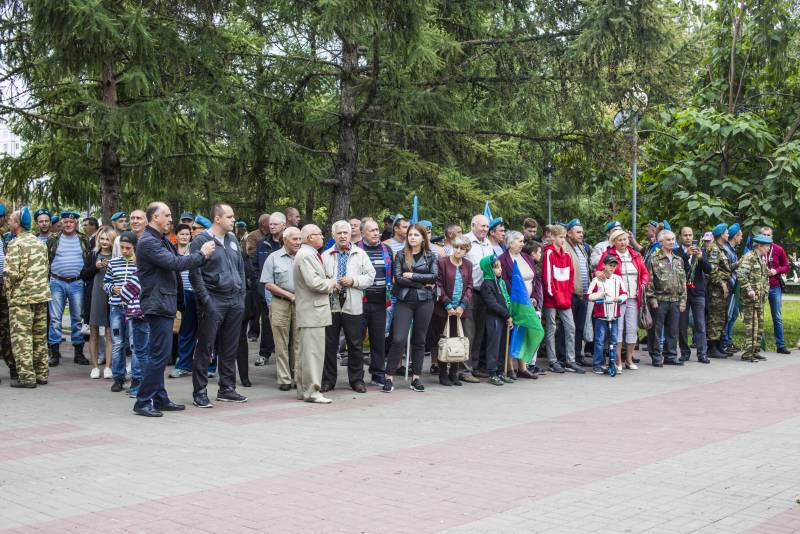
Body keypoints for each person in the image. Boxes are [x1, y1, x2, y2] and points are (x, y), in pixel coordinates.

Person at [133, 202, 214, 417]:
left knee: (160, 353)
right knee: (159, 355)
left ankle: (159, 398)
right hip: (157, 304)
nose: (171, 218)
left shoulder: (161, 240)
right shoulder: (148, 242)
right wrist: (202, 255)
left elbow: (176, 260)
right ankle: (142, 401)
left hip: (164, 303)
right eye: (167, 215)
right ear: (154, 217)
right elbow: (175, 263)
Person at [189, 204, 248, 408]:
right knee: (206, 346)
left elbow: (240, 269)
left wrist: (241, 296)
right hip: (213, 300)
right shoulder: (201, 241)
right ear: (217, 218)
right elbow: (194, 274)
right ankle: (200, 391)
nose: (233, 220)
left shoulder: (232, 240)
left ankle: (227, 389)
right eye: (229, 217)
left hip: (234, 300)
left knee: (230, 347)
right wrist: (206, 300)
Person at [320, 220, 375, 392]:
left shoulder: (360, 254)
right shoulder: (326, 255)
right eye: (339, 233)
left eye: (346, 232)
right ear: (333, 235)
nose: (343, 236)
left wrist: (354, 281)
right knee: (329, 344)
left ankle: (357, 380)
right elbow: (319, 278)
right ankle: (328, 380)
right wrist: (330, 284)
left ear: (350, 234)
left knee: (355, 343)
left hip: (353, 304)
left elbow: (370, 276)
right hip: (332, 304)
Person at [384, 223, 437, 393]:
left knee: (419, 340)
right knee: (398, 338)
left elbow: (434, 277)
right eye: (410, 235)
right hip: (404, 299)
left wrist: (413, 275)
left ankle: (416, 378)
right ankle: (389, 377)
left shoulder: (430, 256)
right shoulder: (400, 255)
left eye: (416, 235)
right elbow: (398, 278)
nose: (412, 237)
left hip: (425, 301)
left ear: (423, 238)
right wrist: (422, 282)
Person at [4, 208, 50, 388]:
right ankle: (42, 374)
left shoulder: (15, 244)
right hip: (40, 296)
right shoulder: (40, 243)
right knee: (39, 337)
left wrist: (8, 293)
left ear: (17, 224)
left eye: (10, 220)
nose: (8, 223)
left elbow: (11, 274)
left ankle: (27, 378)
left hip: (21, 298)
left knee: (22, 338)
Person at [293, 224, 337, 404]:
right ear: (310, 237)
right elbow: (314, 283)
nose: (322, 237)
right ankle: (312, 392)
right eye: (319, 234)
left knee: (307, 354)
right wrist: (331, 283)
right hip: (312, 311)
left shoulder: (308, 254)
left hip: (312, 311)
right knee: (313, 355)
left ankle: (304, 390)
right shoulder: (306, 255)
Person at [597, 228, 649, 370]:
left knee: (632, 329)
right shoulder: (608, 254)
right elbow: (599, 271)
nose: (623, 242)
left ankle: (629, 360)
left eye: (625, 239)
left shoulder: (635, 255)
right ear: (613, 242)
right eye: (619, 240)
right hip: (617, 298)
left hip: (633, 298)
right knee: (617, 330)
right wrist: (599, 273)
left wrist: (643, 284)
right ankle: (617, 361)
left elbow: (644, 273)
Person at [46, 210, 90, 367]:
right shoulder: (53, 240)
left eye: (71, 222)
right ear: (61, 223)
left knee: (77, 318)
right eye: (65, 222)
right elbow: (47, 260)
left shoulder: (83, 239)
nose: (68, 224)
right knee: (55, 319)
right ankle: (54, 353)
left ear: (76, 223)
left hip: (77, 283)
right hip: (57, 282)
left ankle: (78, 352)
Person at [262, 226, 302, 391]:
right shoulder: (273, 257)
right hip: (280, 303)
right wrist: (289, 295)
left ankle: (298, 376)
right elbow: (267, 283)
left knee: (299, 342)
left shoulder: (305, 256)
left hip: (301, 303)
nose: (299, 242)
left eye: (300, 239)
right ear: (285, 240)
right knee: (281, 342)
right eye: (295, 239)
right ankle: (284, 379)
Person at [356, 218, 393, 386]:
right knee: (356, 339)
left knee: (378, 340)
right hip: (360, 301)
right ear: (362, 233)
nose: (376, 233)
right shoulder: (355, 249)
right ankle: (357, 376)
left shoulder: (387, 249)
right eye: (371, 230)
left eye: (377, 229)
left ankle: (378, 373)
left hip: (380, 301)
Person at [498, 231, 540, 379]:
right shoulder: (502, 259)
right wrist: (518, 297)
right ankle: (509, 367)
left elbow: (536, 279)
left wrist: (534, 296)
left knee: (525, 332)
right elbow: (503, 282)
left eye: (523, 241)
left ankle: (522, 367)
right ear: (510, 243)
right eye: (520, 241)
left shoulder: (527, 258)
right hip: (514, 302)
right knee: (512, 333)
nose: (523, 244)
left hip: (529, 304)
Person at [432, 235, 473, 386]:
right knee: (444, 340)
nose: (458, 250)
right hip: (444, 310)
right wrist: (448, 305)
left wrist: (462, 305)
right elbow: (438, 284)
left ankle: (454, 373)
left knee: (458, 341)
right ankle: (443, 374)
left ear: (466, 250)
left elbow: (469, 286)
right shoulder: (442, 262)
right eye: (456, 247)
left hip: (461, 309)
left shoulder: (468, 264)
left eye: (462, 248)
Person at [542, 225, 583, 373]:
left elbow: (570, 276)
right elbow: (547, 278)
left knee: (571, 327)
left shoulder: (566, 254)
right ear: (552, 237)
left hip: (565, 297)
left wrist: (568, 293)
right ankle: (553, 360)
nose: (563, 240)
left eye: (564, 236)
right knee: (551, 328)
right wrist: (554, 294)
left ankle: (570, 360)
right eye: (560, 237)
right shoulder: (548, 253)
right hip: (552, 298)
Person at [104, 232, 139, 392]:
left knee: (134, 343)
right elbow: (106, 283)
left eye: (128, 248)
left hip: (134, 309)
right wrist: (112, 288)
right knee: (118, 343)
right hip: (116, 307)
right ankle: (118, 377)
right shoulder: (113, 263)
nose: (125, 251)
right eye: (122, 248)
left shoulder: (139, 264)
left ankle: (137, 378)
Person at [646, 230, 687, 367]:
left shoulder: (678, 259)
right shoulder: (654, 259)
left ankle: (671, 355)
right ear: (660, 242)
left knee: (673, 330)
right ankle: (656, 356)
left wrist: (683, 300)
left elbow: (683, 282)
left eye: (673, 239)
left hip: (675, 300)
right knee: (656, 330)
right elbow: (649, 281)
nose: (672, 242)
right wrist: (652, 299)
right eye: (668, 240)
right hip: (660, 299)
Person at [81, 226, 117, 379]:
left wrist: (111, 267)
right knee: (94, 331)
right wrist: (95, 267)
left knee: (109, 332)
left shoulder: (117, 256)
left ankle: (108, 366)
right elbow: (83, 274)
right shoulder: (93, 255)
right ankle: (95, 366)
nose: (104, 241)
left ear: (112, 240)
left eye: (107, 239)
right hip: (94, 295)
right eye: (101, 238)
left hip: (110, 297)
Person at [462, 214, 494, 381]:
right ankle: (464, 370)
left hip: (485, 293)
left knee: (480, 331)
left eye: (487, 227)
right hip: (469, 292)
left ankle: (473, 367)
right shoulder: (465, 241)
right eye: (482, 226)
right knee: (468, 331)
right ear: (473, 225)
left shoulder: (488, 243)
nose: (485, 229)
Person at [170, 221, 203, 378]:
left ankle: (209, 367)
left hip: (196, 292)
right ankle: (183, 365)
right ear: (176, 236)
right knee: (185, 330)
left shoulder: (195, 249)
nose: (184, 236)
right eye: (181, 234)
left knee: (205, 332)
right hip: (181, 295)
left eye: (187, 234)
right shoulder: (171, 250)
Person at [675, 227, 711, 364]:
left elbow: (709, 270)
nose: (688, 238)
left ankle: (702, 353)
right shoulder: (676, 252)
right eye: (685, 235)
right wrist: (686, 256)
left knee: (700, 325)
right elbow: (676, 268)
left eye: (690, 235)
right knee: (682, 325)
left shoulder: (699, 251)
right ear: (680, 237)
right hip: (682, 293)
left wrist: (701, 258)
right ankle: (685, 352)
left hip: (698, 292)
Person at [252, 212, 284, 365]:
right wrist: (260, 285)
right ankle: (264, 353)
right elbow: (255, 266)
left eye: (275, 224)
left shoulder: (289, 242)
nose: (272, 226)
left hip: (286, 291)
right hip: (266, 290)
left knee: (285, 324)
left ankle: (284, 356)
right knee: (266, 322)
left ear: (284, 225)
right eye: (270, 224)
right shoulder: (262, 243)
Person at [587, 256, 627, 374]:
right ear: (603, 265)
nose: (612, 268)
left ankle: (612, 362)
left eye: (614, 266)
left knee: (614, 340)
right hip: (601, 315)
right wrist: (601, 295)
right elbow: (589, 295)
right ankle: (597, 364)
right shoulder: (597, 280)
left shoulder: (618, 279)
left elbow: (624, 293)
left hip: (614, 314)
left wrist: (619, 299)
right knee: (599, 340)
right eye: (610, 265)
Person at [479, 255, 514, 385]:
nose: (500, 269)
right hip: (494, 317)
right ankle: (492, 372)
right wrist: (506, 315)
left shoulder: (501, 282)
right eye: (495, 267)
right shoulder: (486, 284)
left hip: (504, 317)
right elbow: (492, 304)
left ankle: (501, 371)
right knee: (494, 344)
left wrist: (509, 314)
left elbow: (506, 299)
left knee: (502, 345)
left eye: (500, 267)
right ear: (488, 269)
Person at [737, 234, 772, 362]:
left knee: (760, 326)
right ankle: (748, 353)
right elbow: (741, 274)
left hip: (760, 299)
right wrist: (749, 289)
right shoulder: (749, 257)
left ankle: (755, 351)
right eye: (767, 246)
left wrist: (766, 290)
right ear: (760, 246)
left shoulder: (761, 259)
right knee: (752, 326)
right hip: (749, 299)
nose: (769, 248)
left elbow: (764, 277)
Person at [759, 226, 791, 354]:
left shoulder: (778, 249)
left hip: (774, 286)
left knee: (777, 316)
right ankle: (757, 345)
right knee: (758, 315)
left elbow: (786, 266)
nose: (766, 237)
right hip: (760, 286)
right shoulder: (757, 249)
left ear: (772, 236)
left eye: (768, 235)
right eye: (764, 235)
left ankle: (780, 345)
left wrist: (776, 270)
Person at [564, 219, 592, 366]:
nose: (582, 235)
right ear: (569, 233)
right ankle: (565, 357)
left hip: (584, 294)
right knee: (568, 328)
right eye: (578, 232)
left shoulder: (582, 247)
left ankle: (577, 356)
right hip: (571, 294)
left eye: (582, 232)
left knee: (580, 327)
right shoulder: (565, 246)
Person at [706, 224, 734, 359]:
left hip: (722, 287)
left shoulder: (722, 249)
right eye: (727, 233)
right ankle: (711, 347)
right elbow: (712, 271)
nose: (728, 235)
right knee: (715, 317)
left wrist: (737, 264)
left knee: (722, 317)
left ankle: (718, 345)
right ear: (721, 234)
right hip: (716, 289)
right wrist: (722, 284)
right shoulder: (714, 249)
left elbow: (725, 269)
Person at [721, 223, 743, 352]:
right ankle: (724, 342)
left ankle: (728, 340)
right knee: (728, 315)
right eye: (740, 236)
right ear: (735, 236)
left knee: (733, 314)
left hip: (734, 287)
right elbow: (725, 269)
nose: (741, 238)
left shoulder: (732, 249)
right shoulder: (726, 249)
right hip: (728, 288)